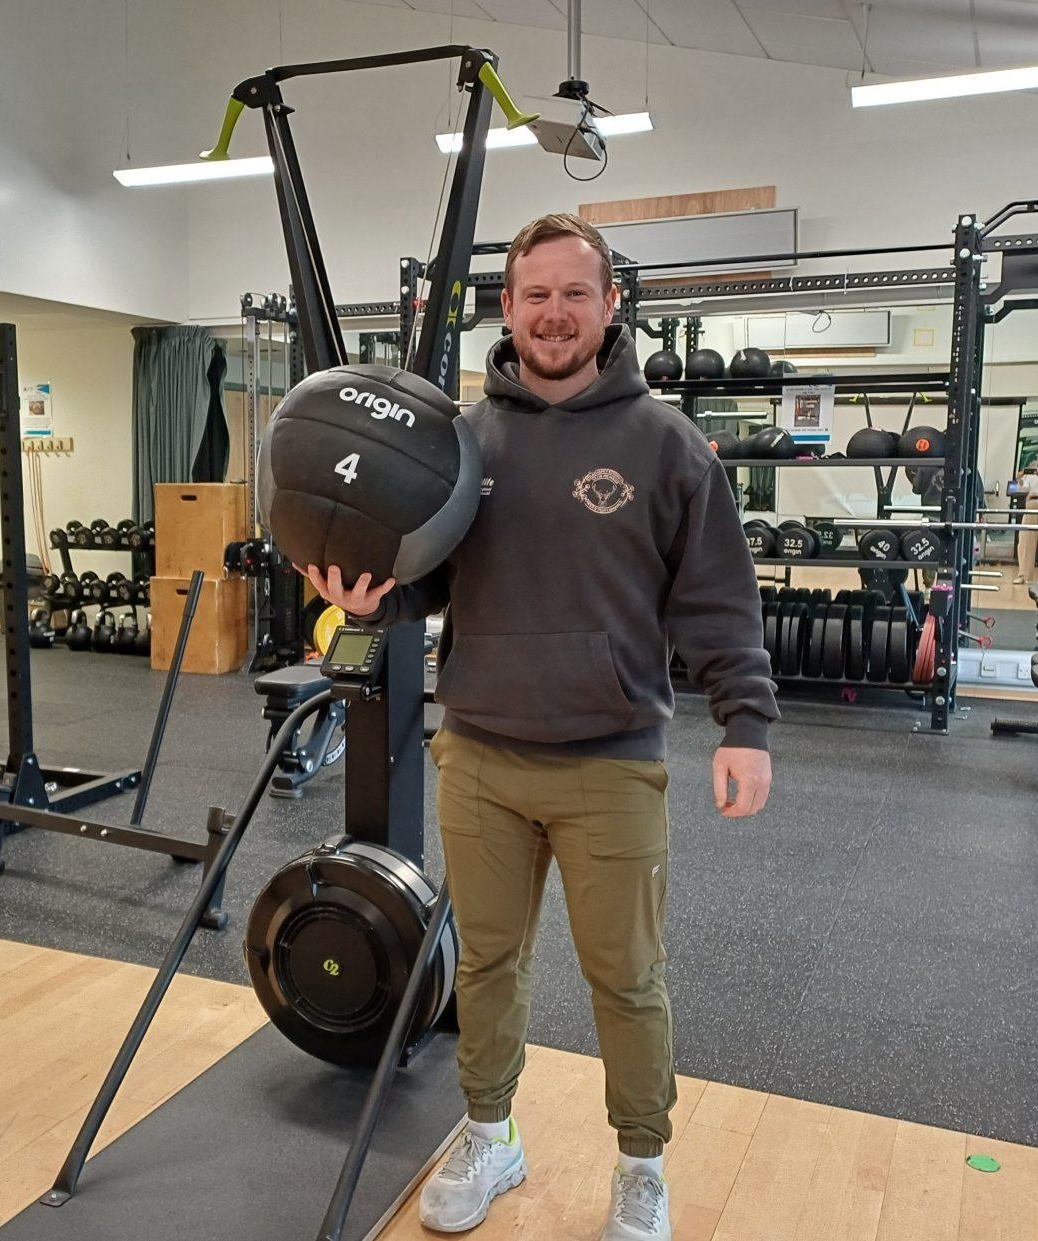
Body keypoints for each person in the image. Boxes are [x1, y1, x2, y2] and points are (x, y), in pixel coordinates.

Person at [299, 214, 779, 1239]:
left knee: (628, 977)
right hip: (480, 752)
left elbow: (718, 600)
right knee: (486, 967)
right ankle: (491, 1132)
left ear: (611, 306)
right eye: (534, 294)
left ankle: (642, 1162)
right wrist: (367, 592)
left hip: (611, 762)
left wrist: (746, 721)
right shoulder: (462, 440)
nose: (554, 312)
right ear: (506, 308)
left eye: (575, 292)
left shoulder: (666, 443)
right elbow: (422, 578)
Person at [1014, 465, 1038, 585]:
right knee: (1025, 541)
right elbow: (1020, 489)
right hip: (1032, 503)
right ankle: (1024, 575)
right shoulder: (1030, 474)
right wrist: (1020, 478)